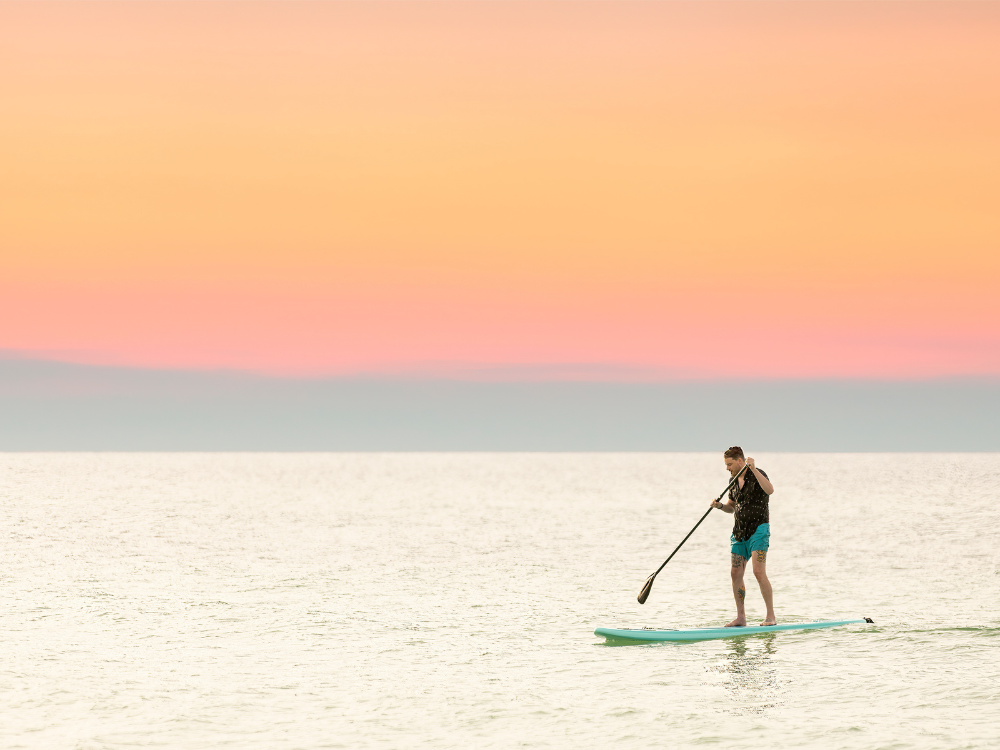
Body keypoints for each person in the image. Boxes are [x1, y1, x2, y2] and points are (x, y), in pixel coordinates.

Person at [708, 446, 776, 627]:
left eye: (729, 464)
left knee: (758, 571)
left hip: (758, 530)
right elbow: (732, 506)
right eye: (726, 465)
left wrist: (753, 468)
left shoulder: (758, 473)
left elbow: (770, 490)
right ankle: (741, 617)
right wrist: (720, 506)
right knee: (735, 573)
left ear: (740, 461)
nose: (727, 468)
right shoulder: (732, 480)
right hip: (739, 532)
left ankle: (771, 616)